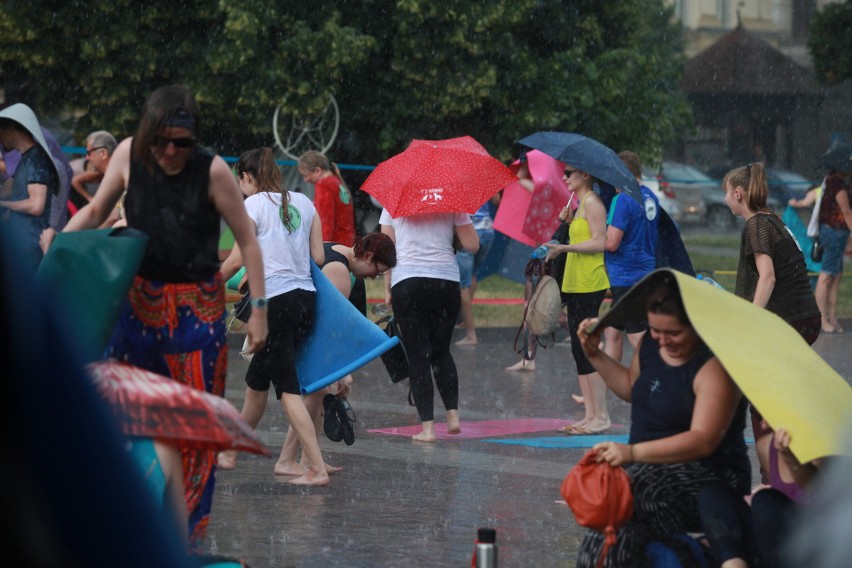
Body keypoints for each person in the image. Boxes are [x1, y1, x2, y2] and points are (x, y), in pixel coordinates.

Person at [57, 85, 268, 547]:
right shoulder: (131, 154)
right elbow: (94, 209)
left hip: (197, 317)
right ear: (146, 133)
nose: (171, 151)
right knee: (126, 422)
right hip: (137, 311)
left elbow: (248, 241)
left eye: (182, 143)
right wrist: (59, 248)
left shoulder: (211, 171)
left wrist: (260, 311)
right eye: (162, 141)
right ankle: (127, 525)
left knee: (190, 433)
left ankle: (177, 541)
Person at [574, 275, 749, 567]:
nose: (663, 340)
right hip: (647, 470)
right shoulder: (650, 344)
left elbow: (703, 440)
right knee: (612, 517)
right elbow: (633, 388)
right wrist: (595, 355)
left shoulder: (714, 366)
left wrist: (632, 453)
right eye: (656, 330)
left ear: (696, 324)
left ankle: (691, 554)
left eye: (674, 333)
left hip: (710, 477)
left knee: (629, 497)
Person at [217, 146, 331, 486]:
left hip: (275, 303)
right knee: (257, 381)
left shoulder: (250, 205)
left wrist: (206, 286)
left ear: (247, 177)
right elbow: (317, 257)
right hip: (304, 301)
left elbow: (237, 260)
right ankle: (230, 452)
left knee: (288, 390)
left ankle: (317, 469)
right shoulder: (304, 202)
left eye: (240, 181)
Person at [272, 233, 397, 475]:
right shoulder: (340, 271)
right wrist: (339, 371)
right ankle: (287, 459)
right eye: (376, 270)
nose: (373, 277)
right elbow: (328, 324)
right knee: (315, 392)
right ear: (368, 255)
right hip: (305, 335)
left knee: (319, 393)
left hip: (294, 325)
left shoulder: (332, 248)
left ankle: (310, 459)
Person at [724, 162, 822, 458]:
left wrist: (751, 320)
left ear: (739, 194)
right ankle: (796, 459)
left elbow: (767, 276)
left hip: (789, 319)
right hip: (803, 316)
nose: (726, 198)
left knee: (762, 396)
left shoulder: (757, 225)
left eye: (727, 192)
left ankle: (776, 472)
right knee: (777, 393)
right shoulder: (771, 219)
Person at [380, 205, 479, 442]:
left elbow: (386, 249)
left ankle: (428, 429)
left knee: (418, 356)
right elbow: (473, 245)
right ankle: (453, 417)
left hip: (407, 281)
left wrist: (387, 288)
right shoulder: (450, 199)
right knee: (441, 352)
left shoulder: (394, 201)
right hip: (445, 282)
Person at [544, 165, 611, 434]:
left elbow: (600, 242)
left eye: (570, 172)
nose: (565, 177)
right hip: (575, 282)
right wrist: (570, 222)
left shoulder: (593, 202)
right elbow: (585, 236)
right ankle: (590, 414)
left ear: (586, 174)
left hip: (589, 283)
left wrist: (564, 247)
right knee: (577, 349)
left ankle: (601, 415)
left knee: (587, 348)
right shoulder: (580, 204)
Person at [698, 425, 820, 568]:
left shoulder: (822, 450)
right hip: (775, 543)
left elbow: (823, 496)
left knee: (765, 501)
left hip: (811, 542)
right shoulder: (766, 445)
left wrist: (791, 459)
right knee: (714, 495)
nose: (763, 425)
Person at [601, 150, 660, 367]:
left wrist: (584, 243)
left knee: (638, 337)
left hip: (626, 278)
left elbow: (612, 242)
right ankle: (601, 392)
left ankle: (662, 385)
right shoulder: (650, 197)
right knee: (612, 333)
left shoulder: (622, 199)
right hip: (644, 275)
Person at [0, 103, 60, 270]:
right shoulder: (27, 159)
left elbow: (36, 205)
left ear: (11, 128)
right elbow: (8, 189)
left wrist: (4, 205)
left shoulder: (37, 159)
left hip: (28, 247)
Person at [813, 168, 852, 334]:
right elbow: (846, 212)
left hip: (833, 233)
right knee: (827, 275)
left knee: (834, 276)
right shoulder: (838, 187)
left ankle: (832, 318)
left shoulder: (828, 182)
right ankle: (821, 319)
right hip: (835, 233)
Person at [455, 198, 497, 346]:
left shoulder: (452, 179)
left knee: (462, 285)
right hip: (487, 230)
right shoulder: (482, 176)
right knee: (472, 275)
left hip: (467, 231)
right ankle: (466, 320)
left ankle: (470, 334)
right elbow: (497, 199)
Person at [298, 150, 355, 246]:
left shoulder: (323, 185)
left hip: (334, 245)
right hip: (347, 242)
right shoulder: (337, 182)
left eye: (306, 175)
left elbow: (325, 223)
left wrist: (323, 247)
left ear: (317, 171)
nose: (306, 180)